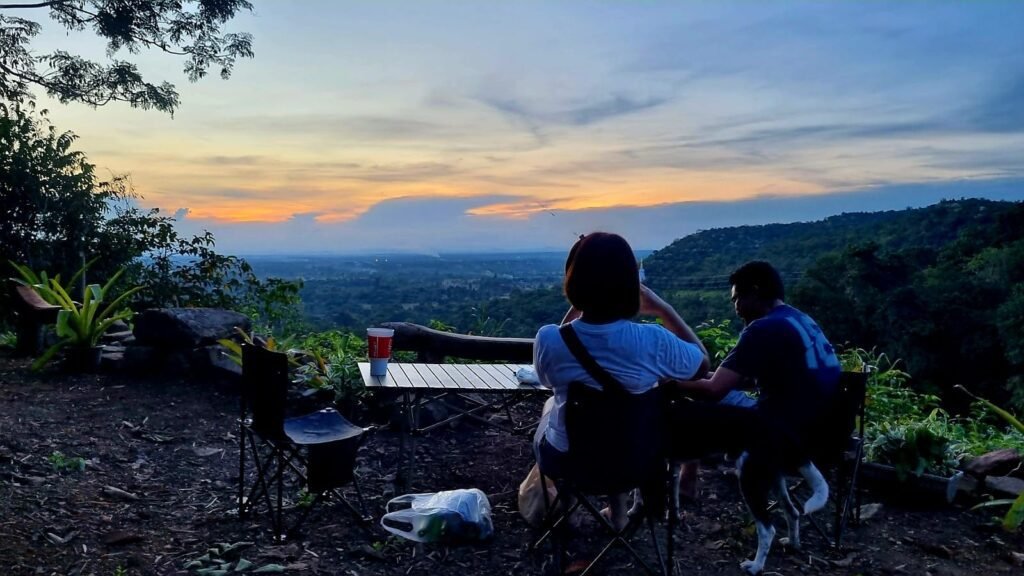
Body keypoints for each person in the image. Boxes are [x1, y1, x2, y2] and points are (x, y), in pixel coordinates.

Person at [532, 232, 709, 530]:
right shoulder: (653, 341)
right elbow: (702, 364)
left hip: (572, 464)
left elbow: (549, 380)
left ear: (573, 281)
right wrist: (664, 309)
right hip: (637, 465)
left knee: (553, 405)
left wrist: (580, 305)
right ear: (631, 286)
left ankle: (569, 510)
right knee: (620, 427)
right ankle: (619, 514)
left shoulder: (549, 338)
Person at [672, 261, 839, 573]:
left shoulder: (761, 329)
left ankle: (680, 479)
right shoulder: (798, 319)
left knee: (689, 409)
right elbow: (751, 378)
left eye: (737, 298)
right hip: (825, 434)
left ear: (757, 292)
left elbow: (713, 390)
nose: (735, 307)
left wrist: (665, 382)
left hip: (783, 432)